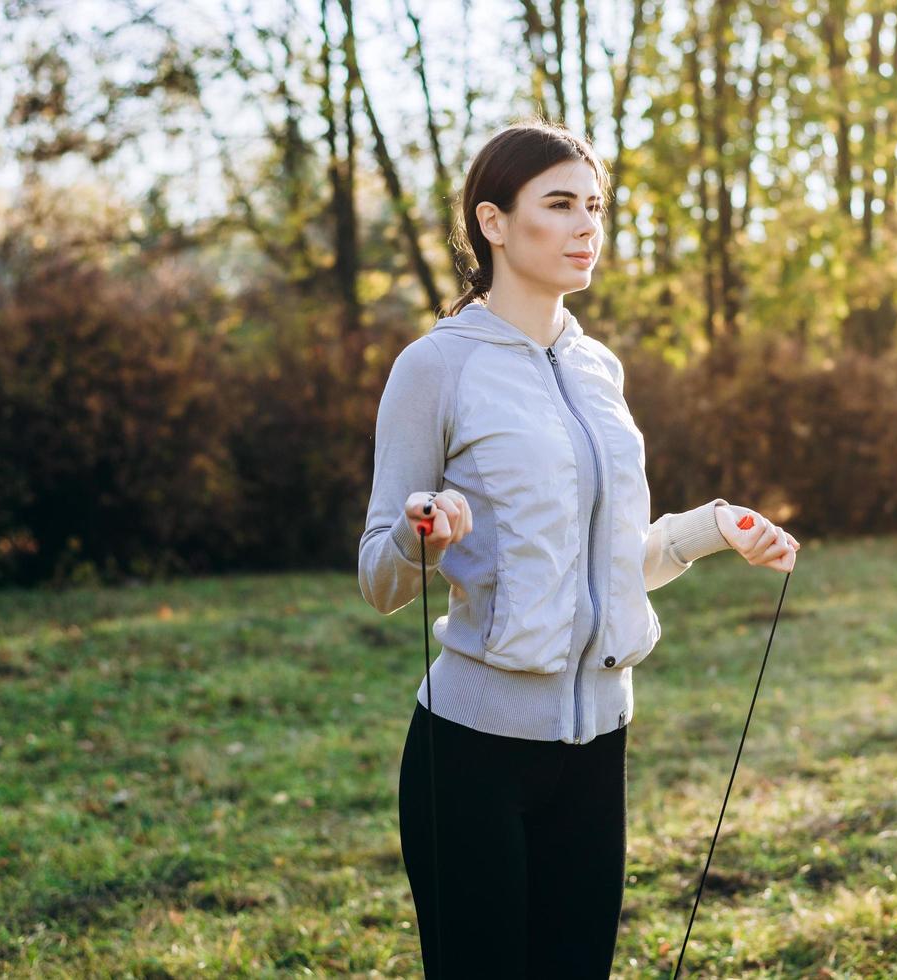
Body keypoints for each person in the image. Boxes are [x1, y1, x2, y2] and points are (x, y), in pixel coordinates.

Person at [356, 119, 799, 978]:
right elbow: (378, 576)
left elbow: (602, 569)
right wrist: (425, 536)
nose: (586, 226)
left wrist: (711, 529)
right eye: (559, 205)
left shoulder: (599, 368)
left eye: (593, 207)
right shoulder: (435, 368)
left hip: (599, 750)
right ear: (493, 222)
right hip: (473, 760)